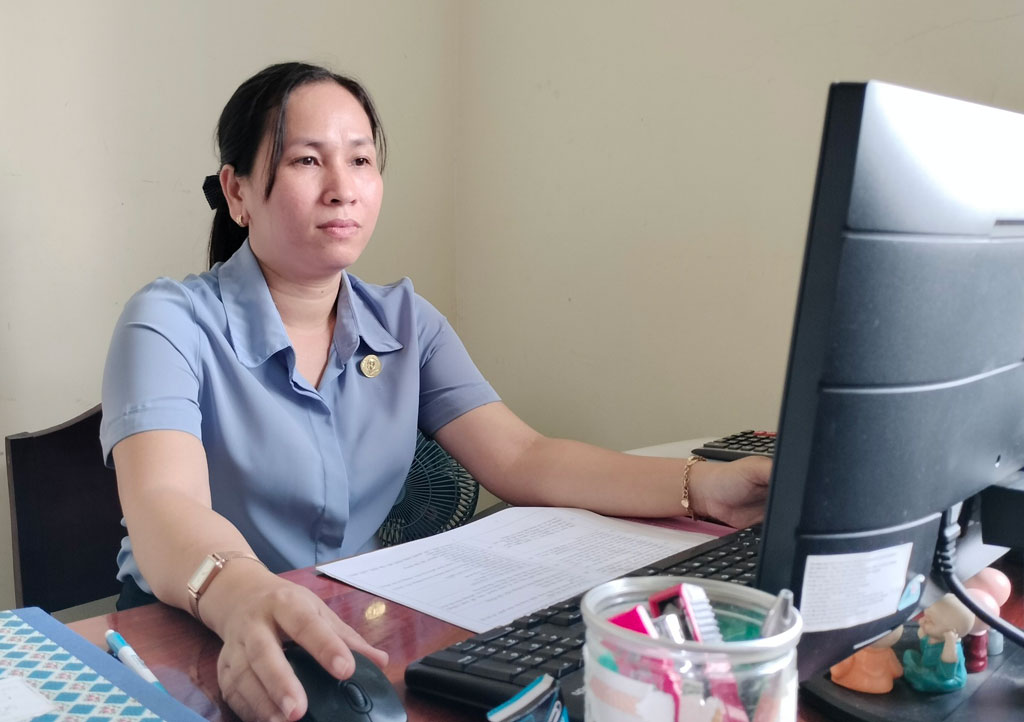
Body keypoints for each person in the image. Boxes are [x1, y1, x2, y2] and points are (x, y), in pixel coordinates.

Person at [100, 62, 772, 722]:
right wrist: (243, 592)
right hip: (191, 628)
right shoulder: (167, 321)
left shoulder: (407, 323)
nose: (342, 188)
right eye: (307, 160)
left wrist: (705, 486)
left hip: (351, 631)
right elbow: (165, 503)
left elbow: (523, 457)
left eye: (360, 160)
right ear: (238, 191)